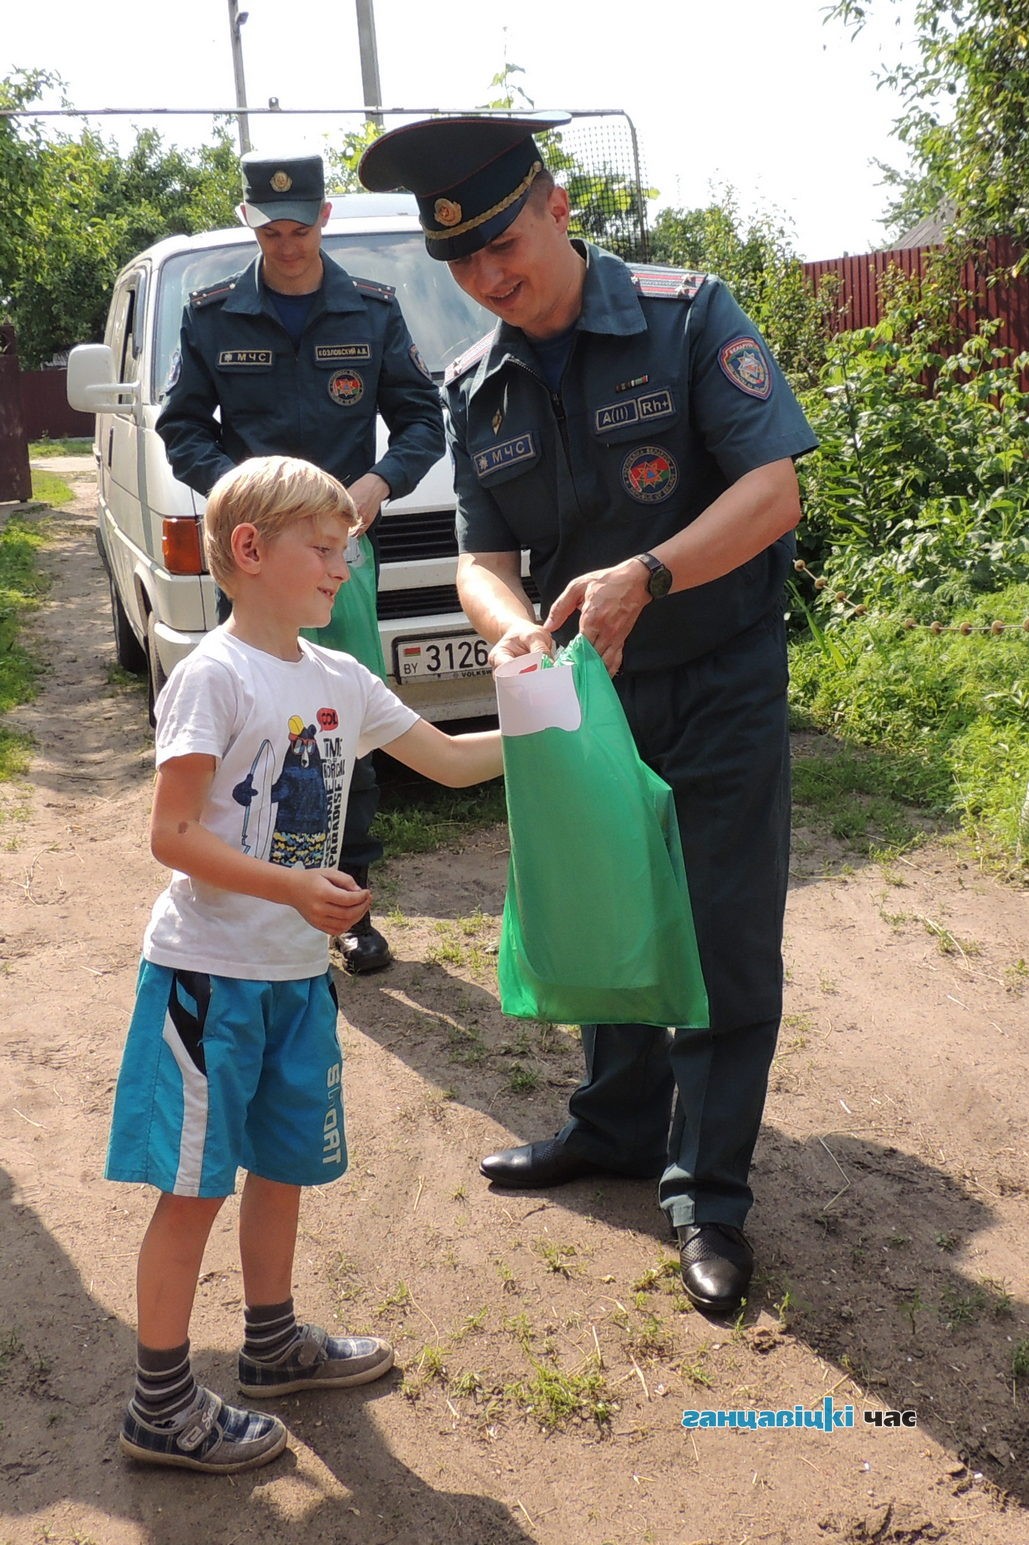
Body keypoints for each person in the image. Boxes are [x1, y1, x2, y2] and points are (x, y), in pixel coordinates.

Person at [360, 115, 819, 1316]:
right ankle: (613, 1128)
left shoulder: (686, 315)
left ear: (557, 207)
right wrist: (507, 619)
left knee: (719, 929)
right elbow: (479, 553)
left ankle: (708, 1194)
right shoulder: (475, 381)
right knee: (605, 905)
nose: (486, 279)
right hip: (582, 698)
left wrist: (647, 575)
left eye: (501, 244)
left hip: (715, 671)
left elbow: (776, 489)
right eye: (459, 264)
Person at [105, 455, 503, 1473]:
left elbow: (452, 762)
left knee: (282, 1167)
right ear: (249, 550)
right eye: (324, 551)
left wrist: (555, 713)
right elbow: (174, 833)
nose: (343, 569)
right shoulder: (213, 676)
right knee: (195, 1189)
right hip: (208, 979)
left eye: (347, 552)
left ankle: (274, 1346)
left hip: (295, 981)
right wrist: (292, 888)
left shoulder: (338, 678)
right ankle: (159, 1406)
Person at [157, 151, 445, 975]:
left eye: (300, 228)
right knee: (255, 726)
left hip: (337, 554)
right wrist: (244, 501)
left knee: (340, 732)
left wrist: (376, 486)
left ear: (324, 220)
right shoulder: (213, 316)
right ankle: (255, 891)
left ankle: (350, 902)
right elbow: (183, 428)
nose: (286, 245)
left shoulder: (371, 310)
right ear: (253, 224)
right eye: (270, 230)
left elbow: (422, 421)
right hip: (252, 560)